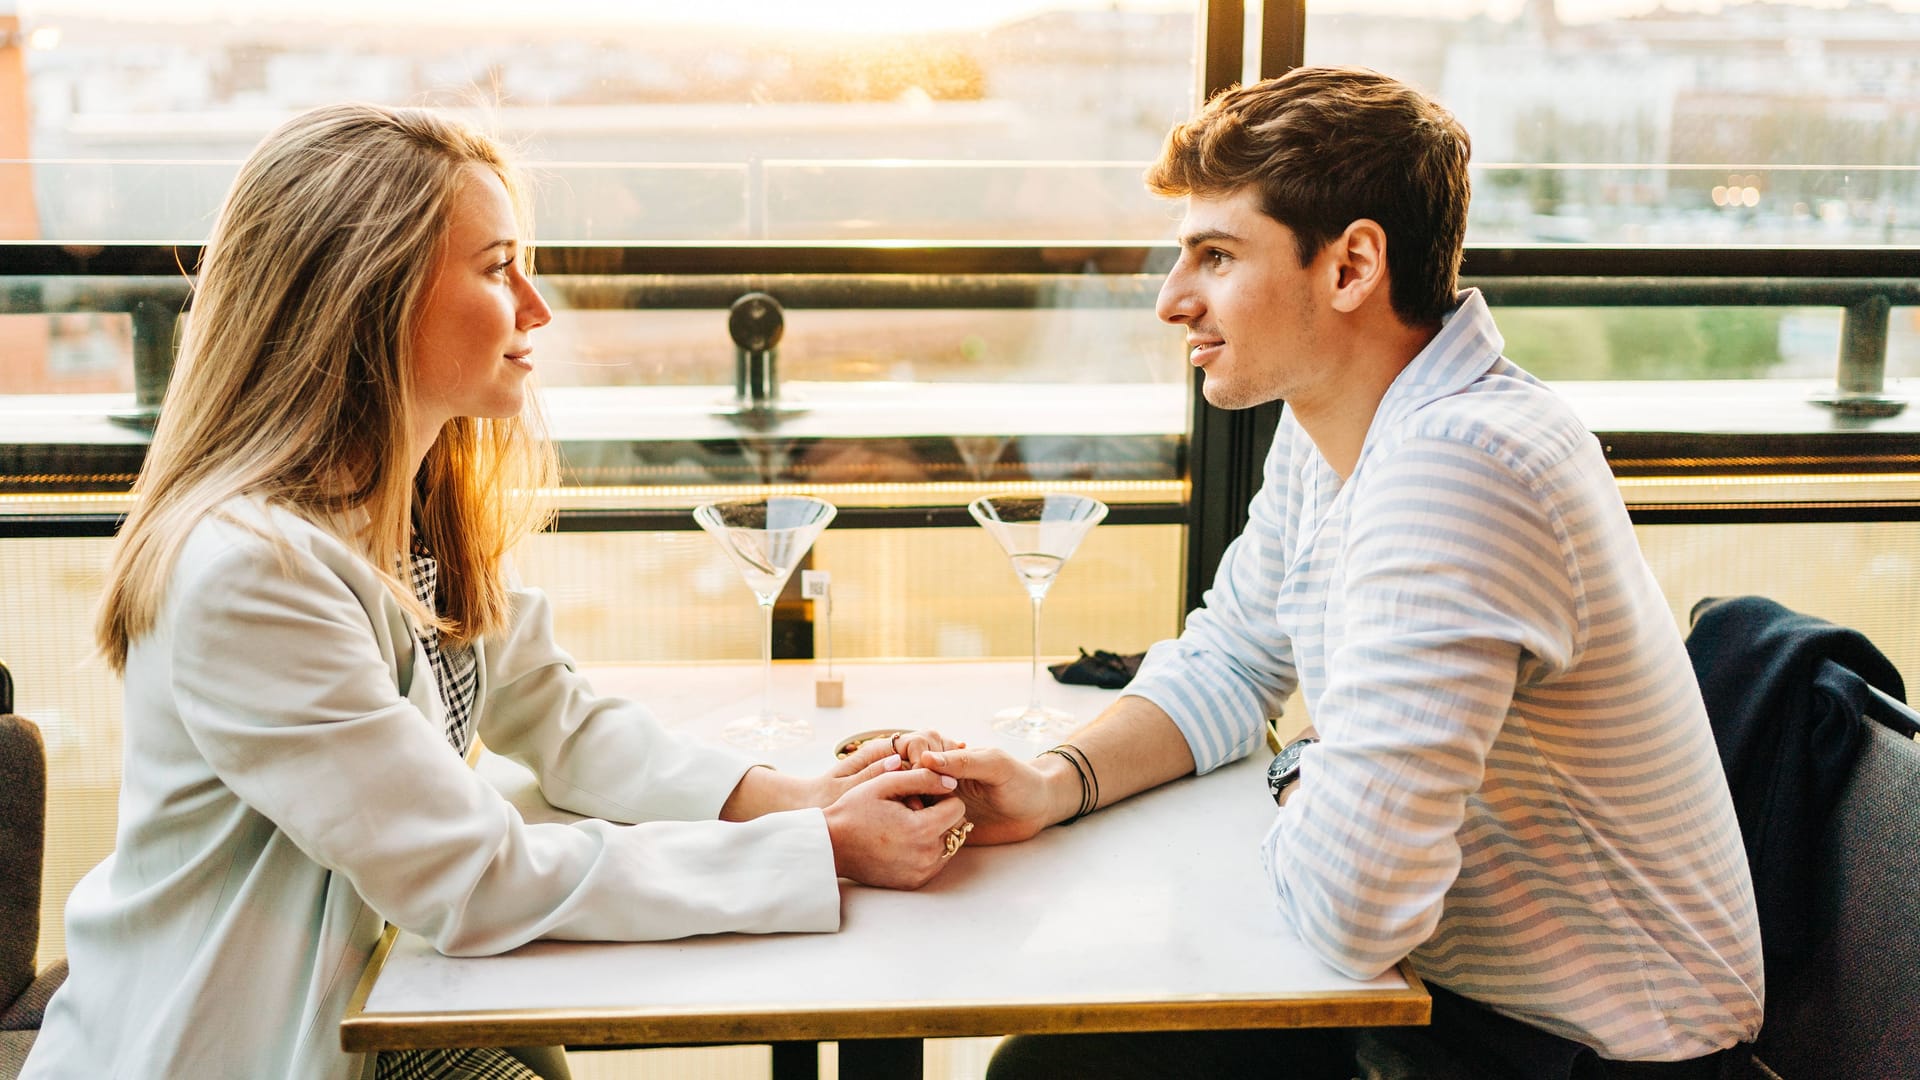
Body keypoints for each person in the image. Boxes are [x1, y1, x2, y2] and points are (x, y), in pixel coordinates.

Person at [21, 103, 968, 1080]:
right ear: (367, 297)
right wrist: (821, 850)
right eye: (495, 266)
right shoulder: (253, 575)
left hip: (387, 991)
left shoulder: (412, 502)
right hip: (250, 1043)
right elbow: (475, 881)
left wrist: (791, 798)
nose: (536, 306)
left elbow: (557, 719)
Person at [919, 68, 1764, 1079]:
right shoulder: (1339, 424)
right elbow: (1232, 662)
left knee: (1054, 1071)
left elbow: (1353, 912)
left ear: (1353, 265)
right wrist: (1057, 783)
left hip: (1587, 1053)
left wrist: (1296, 767)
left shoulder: (1460, 470)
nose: (1171, 300)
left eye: (1217, 256)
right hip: (1448, 1003)